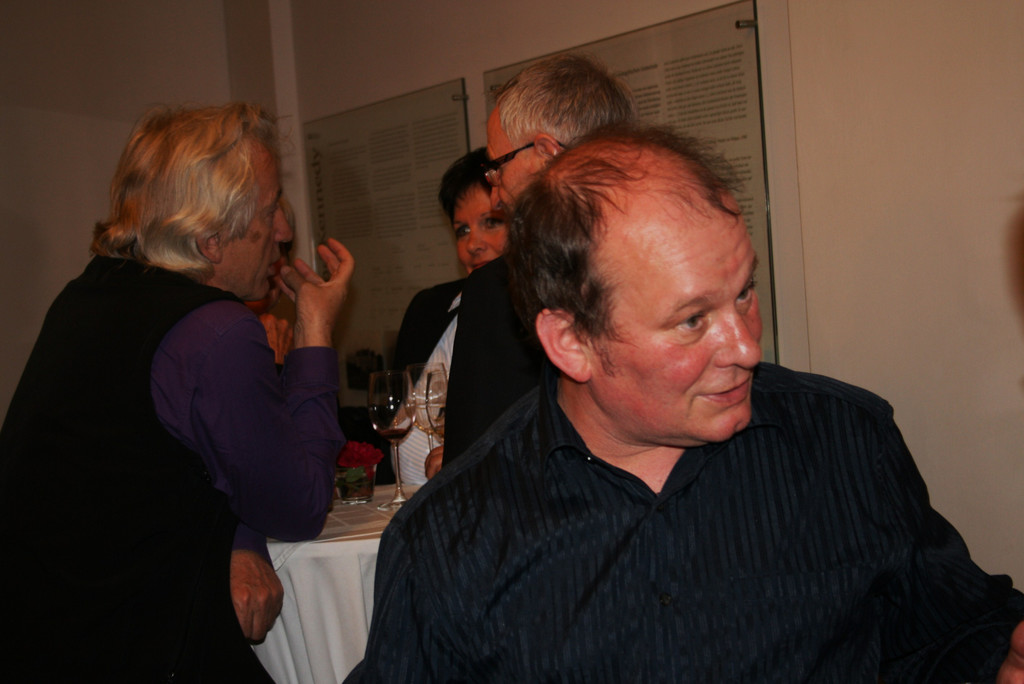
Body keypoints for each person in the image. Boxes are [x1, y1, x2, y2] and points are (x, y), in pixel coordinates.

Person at [346, 124, 1024, 682]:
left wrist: (998, 659)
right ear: (572, 342)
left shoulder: (845, 441)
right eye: (693, 320)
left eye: (744, 292)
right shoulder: (451, 538)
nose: (747, 347)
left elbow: (947, 629)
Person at [0, 103, 353, 681]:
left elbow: (182, 464)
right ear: (212, 239)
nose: (284, 232)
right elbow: (300, 505)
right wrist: (315, 331)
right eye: (270, 209)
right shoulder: (216, 331)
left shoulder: (84, 297)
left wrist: (240, 539)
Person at [442, 52, 636, 465]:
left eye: (497, 168)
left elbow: (477, 468)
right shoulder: (677, 260)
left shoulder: (500, 289)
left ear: (547, 153)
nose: (496, 195)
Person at [391, 147, 507, 483]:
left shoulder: (542, 323)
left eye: (491, 223)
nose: (473, 244)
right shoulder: (426, 308)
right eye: (462, 230)